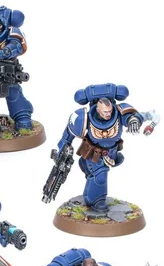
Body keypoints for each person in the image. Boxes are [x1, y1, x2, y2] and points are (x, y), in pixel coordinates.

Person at [55, 83, 144, 211]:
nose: (108, 114)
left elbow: (131, 116)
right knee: (100, 176)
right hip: (93, 155)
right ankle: (97, 201)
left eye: (110, 111)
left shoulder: (118, 113)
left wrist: (133, 121)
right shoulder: (84, 117)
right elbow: (68, 133)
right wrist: (62, 148)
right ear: (97, 109)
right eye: (105, 112)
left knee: (95, 176)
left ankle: (89, 197)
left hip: (112, 154)